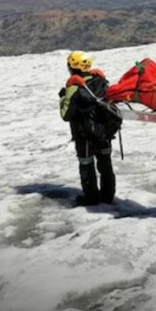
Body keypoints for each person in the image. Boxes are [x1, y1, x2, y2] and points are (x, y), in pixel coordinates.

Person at [59, 51, 117, 206]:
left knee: (87, 165)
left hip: (84, 134)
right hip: (104, 132)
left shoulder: (74, 87)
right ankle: (108, 197)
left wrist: (63, 96)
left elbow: (66, 114)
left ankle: (91, 199)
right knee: (105, 164)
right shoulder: (101, 81)